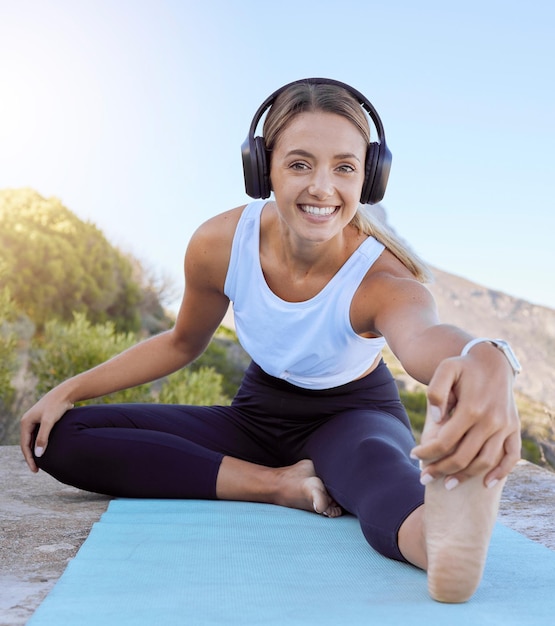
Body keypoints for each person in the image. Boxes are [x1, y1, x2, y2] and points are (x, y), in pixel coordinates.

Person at [20, 78, 521, 603]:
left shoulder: (381, 278)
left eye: (344, 168)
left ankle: (442, 543)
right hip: (256, 413)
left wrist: (484, 356)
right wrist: (67, 391)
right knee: (60, 437)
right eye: (300, 164)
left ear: (370, 179)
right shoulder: (219, 244)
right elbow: (180, 343)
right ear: (262, 168)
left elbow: (425, 339)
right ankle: (279, 484)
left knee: (376, 469)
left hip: (352, 415)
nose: (322, 188)